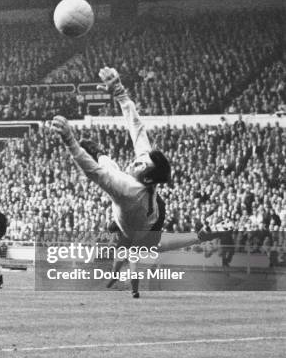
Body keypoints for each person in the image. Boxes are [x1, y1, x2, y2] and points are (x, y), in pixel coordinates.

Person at [52, 67, 226, 298]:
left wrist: (71, 142)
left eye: (141, 165)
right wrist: (120, 92)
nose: (137, 161)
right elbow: (136, 127)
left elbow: (94, 172)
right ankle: (118, 275)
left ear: (146, 178)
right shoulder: (145, 169)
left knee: (146, 247)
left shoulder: (129, 190)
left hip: (142, 223)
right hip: (146, 213)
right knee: (137, 247)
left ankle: (135, 287)